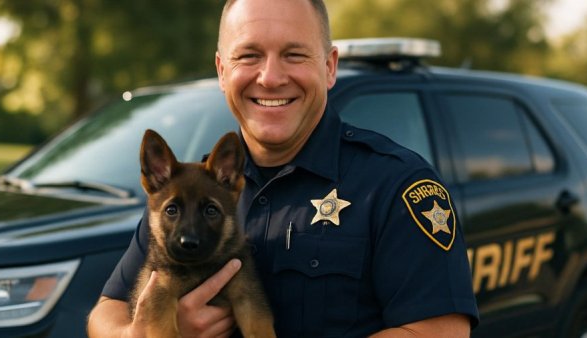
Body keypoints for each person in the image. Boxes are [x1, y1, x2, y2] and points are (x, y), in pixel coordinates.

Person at [87, 0, 479, 337]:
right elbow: (106, 311)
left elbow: (440, 331)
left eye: (294, 55)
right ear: (223, 71)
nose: (271, 78)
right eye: (249, 55)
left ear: (329, 66)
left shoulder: (395, 184)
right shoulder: (194, 187)